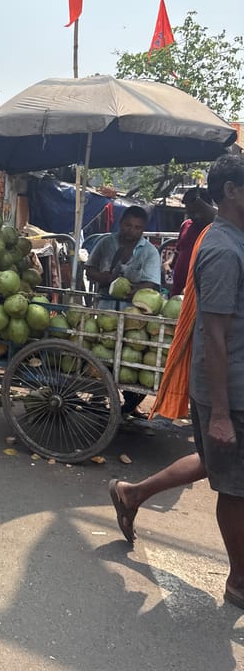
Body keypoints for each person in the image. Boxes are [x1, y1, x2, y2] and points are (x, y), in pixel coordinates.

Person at [109, 154, 244, 611]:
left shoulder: (235, 241)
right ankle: (240, 582)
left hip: (235, 386)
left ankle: (131, 493)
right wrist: (222, 412)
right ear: (230, 191)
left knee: (213, 461)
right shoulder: (223, 248)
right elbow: (215, 335)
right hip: (231, 389)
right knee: (234, 486)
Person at [85, 205, 161, 416]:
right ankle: (99, 395)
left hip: (135, 317)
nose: (132, 231)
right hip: (106, 311)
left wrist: (132, 290)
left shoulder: (149, 251)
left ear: (143, 229)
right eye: (128, 225)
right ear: (121, 224)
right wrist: (104, 278)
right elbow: (89, 270)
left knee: (130, 358)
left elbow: (152, 284)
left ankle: (131, 400)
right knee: (103, 355)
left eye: (137, 227)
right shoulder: (106, 243)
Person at [169, 186, 215, 296]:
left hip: (196, 294)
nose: (192, 215)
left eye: (196, 211)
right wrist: (169, 262)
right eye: (188, 210)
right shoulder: (186, 225)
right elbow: (179, 250)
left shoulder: (214, 230)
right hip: (177, 291)